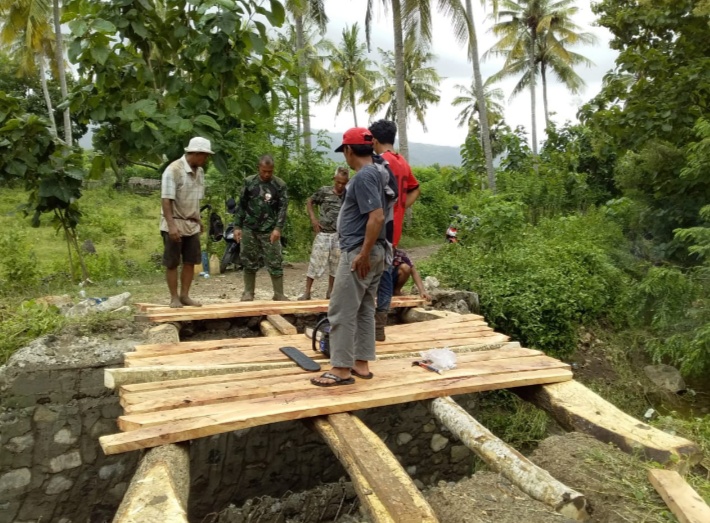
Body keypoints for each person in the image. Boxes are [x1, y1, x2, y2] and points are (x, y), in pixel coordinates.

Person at [311, 127, 397, 387]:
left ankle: (340, 369)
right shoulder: (381, 171)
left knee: (341, 311)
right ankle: (361, 363)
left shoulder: (364, 176)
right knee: (363, 309)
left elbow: (376, 217)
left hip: (362, 251)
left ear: (348, 150)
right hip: (376, 250)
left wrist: (362, 253)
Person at [369, 120, 421, 341]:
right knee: (385, 274)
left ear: (375, 140)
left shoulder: (380, 162)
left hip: (381, 227)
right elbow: (416, 188)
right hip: (395, 227)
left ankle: (375, 326)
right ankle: (379, 324)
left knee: (376, 276)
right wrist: (400, 206)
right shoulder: (402, 162)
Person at [160, 136, 213, 308]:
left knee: (191, 261)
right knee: (173, 262)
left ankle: (185, 295)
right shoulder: (173, 170)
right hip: (174, 222)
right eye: (204, 156)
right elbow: (166, 200)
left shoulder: (200, 172)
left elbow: (195, 199)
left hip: (192, 223)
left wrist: (199, 220)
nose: (206, 159)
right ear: (196, 153)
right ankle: (174, 297)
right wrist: (172, 226)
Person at [234, 154, 290, 301]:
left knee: (275, 260)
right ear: (258, 168)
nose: (266, 174)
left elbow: (283, 208)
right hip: (249, 228)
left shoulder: (279, 185)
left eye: (269, 171)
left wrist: (278, 228)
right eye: (264, 171)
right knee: (248, 260)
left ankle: (278, 293)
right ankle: (248, 292)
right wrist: (237, 226)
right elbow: (242, 205)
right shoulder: (249, 182)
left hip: (270, 230)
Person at [299, 167, 349, 301]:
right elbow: (310, 201)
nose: (340, 186)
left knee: (336, 265)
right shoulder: (324, 191)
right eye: (338, 182)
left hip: (339, 235)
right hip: (323, 233)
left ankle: (330, 292)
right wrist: (313, 219)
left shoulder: (348, 195)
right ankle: (307, 292)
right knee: (315, 262)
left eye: (343, 183)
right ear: (334, 180)